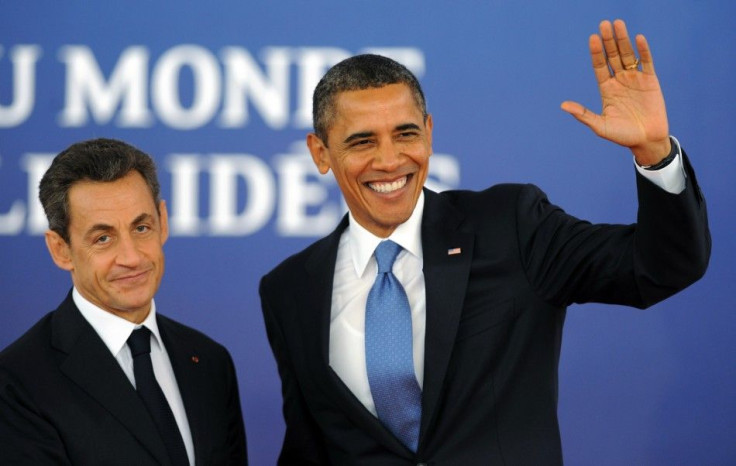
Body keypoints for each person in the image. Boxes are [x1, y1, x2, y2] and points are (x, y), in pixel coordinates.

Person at [259, 19, 711, 464]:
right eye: (362, 142)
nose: (390, 159)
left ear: (430, 134)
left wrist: (655, 154)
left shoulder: (511, 226)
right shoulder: (291, 288)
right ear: (321, 153)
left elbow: (660, 267)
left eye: (406, 134)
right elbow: (308, 447)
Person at [0, 138, 248, 465]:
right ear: (60, 249)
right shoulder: (18, 383)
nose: (131, 257)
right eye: (103, 238)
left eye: (141, 227)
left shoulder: (209, 362)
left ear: (163, 221)